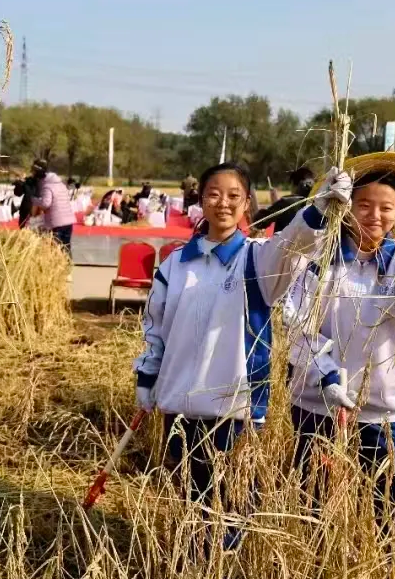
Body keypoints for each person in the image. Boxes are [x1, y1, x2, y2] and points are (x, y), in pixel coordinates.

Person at [133, 162, 351, 553]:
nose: (223, 203)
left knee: (232, 499)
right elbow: (156, 329)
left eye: (234, 195)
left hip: (234, 406)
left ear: (247, 203)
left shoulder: (257, 261)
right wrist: (147, 380)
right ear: (200, 200)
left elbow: (294, 244)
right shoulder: (175, 266)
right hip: (178, 405)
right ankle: (194, 557)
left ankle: (227, 559)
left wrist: (319, 207)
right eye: (214, 193)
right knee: (190, 492)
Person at [285, 152, 395, 528]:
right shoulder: (319, 258)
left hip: (384, 405)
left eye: (385, 208)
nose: (374, 215)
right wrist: (325, 374)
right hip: (318, 404)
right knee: (314, 499)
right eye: (364, 205)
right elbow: (294, 322)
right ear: (347, 208)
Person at [31, 159, 76, 254]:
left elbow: (45, 204)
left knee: (56, 248)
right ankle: (67, 265)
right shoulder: (61, 184)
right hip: (68, 221)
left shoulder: (47, 187)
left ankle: (60, 266)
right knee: (66, 247)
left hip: (57, 222)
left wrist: (34, 200)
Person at [254, 167, 315, 232]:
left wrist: (276, 206)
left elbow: (259, 222)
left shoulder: (287, 203)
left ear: (297, 185)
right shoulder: (320, 204)